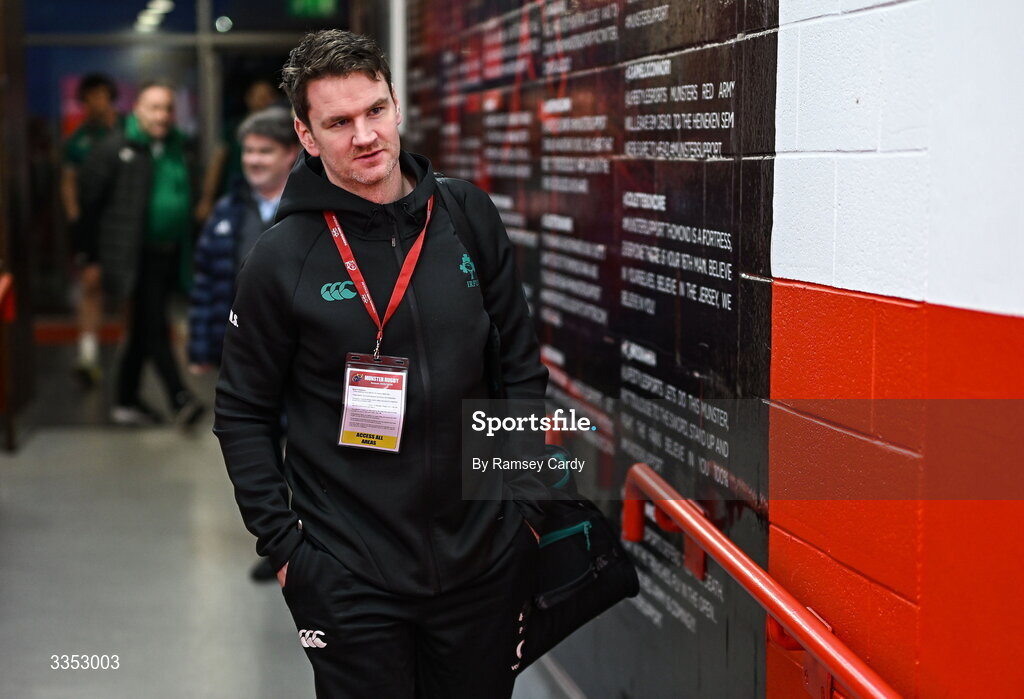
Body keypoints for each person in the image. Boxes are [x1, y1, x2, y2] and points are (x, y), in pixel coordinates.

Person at [214, 30, 549, 698]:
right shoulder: (281, 258)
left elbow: (518, 366)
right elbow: (242, 411)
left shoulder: (467, 216)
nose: (364, 135)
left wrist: (525, 510)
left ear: (397, 106)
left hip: (483, 560)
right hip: (349, 573)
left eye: (374, 110)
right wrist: (286, 551)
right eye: (338, 122)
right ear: (307, 137)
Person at [77, 80, 206, 428]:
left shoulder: (178, 147)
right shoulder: (115, 147)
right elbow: (89, 203)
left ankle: (125, 399)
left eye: (167, 108)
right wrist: (90, 257)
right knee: (153, 326)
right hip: (133, 255)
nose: (162, 115)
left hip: (169, 254)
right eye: (154, 107)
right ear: (137, 109)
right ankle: (180, 397)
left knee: (142, 328)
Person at [188, 105, 299, 375]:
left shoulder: (308, 210)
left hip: (297, 353)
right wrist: (201, 348)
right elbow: (206, 283)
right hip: (240, 352)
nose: (254, 160)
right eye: (249, 151)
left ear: (290, 154)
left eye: (265, 151)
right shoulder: (226, 210)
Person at [62, 73, 121, 386]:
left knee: (128, 287)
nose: (97, 101)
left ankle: (130, 356)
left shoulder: (127, 131)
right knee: (91, 282)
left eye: (102, 94)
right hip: (92, 223)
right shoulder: (79, 139)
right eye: (90, 96)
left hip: (124, 221)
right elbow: (68, 180)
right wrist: (75, 217)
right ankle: (88, 354)